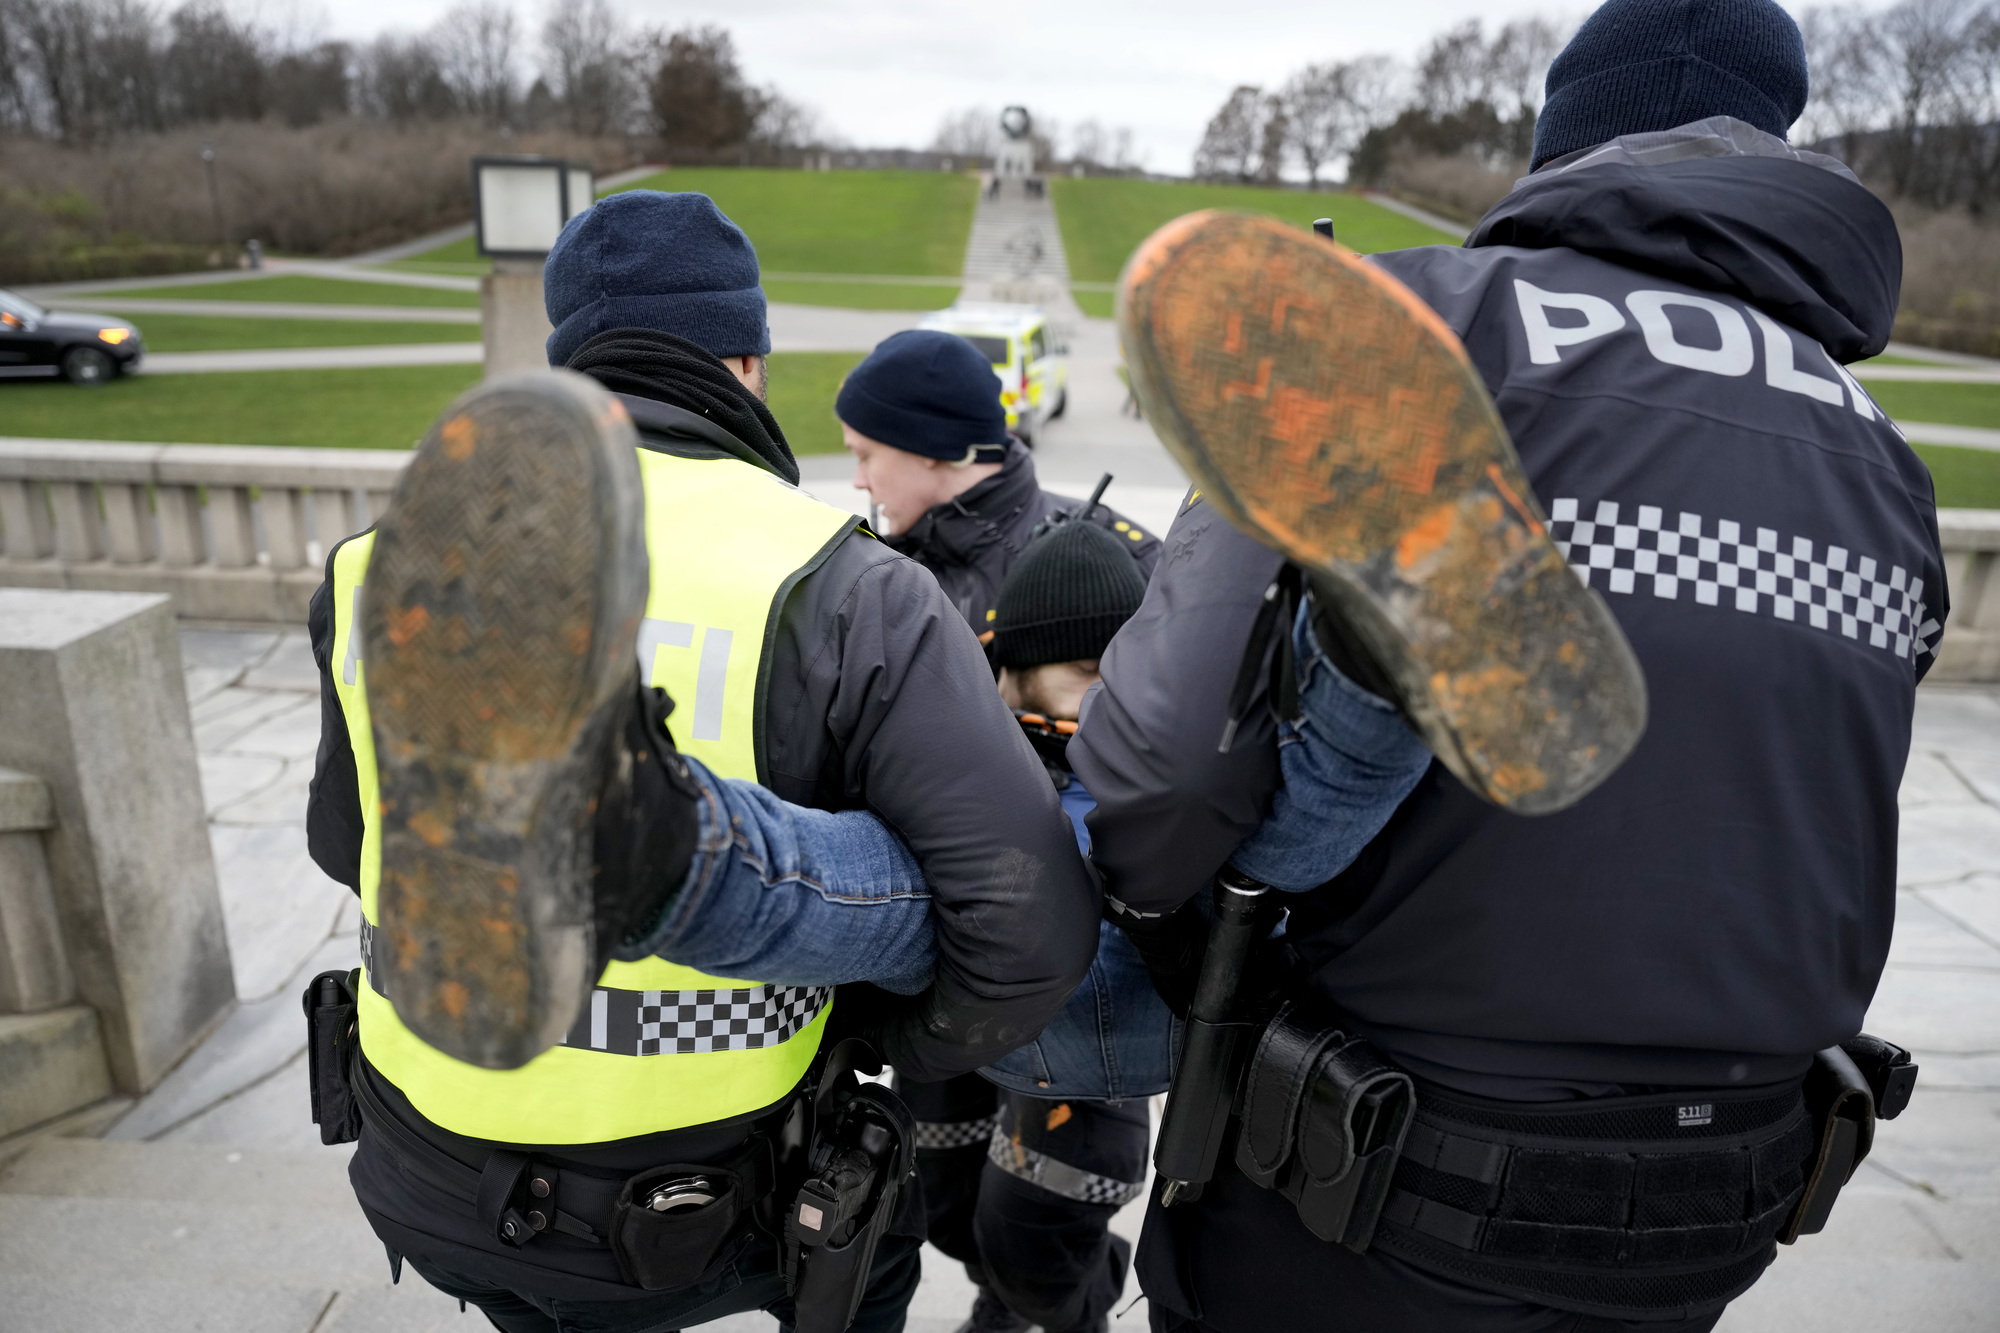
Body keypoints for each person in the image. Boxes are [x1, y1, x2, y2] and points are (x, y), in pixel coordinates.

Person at [1071, 1, 1942, 1330]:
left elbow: (1164, 772)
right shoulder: (1884, 465)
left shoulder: (1406, 326)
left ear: (1563, 129)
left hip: (1378, 1179)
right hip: (1728, 1194)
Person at [303, 190, 1100, 1332]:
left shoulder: (378, 561)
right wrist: (880, 1032)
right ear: (749, 361)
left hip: (424, 1163)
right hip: (718, 1209)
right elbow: (1026, 929)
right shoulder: (846, 585)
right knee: (875, 1265)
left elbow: (346, 843)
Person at [831, 328, 1164, 1333]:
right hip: (943, 991)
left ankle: (1049, 1305)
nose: (854, 474)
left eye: (863, 450)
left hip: (1077, 1011)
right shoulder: (865, 577)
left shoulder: (1097, 556)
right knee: (948, 1209)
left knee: (1039, 1227)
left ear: (935, 451)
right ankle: (1015, 1292)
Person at [836, 328, 1161, 631]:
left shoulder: (1124, 565)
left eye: (864, 456)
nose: (858, 481)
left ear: (927, 445)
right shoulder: (879, 572)